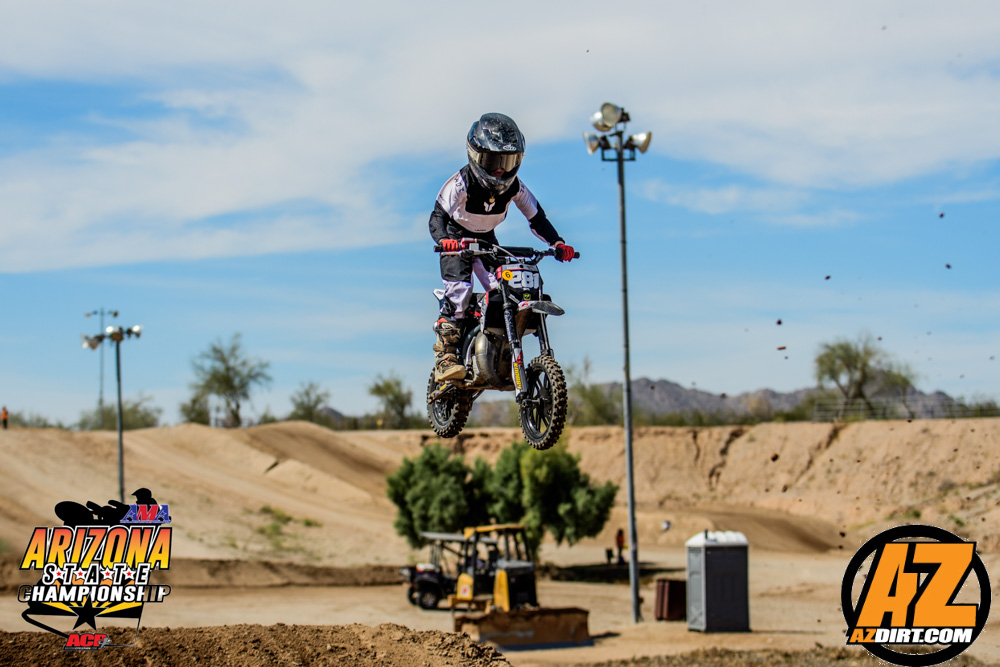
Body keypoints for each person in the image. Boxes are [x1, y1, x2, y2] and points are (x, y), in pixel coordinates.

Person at [428, 112, 575, 382]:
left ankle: (498, 349)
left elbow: (537, 218)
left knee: (505, 288)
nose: (499, 171)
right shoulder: (460, 183)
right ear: (477, 157)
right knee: (459, 292)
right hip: (456, 239)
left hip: (486, 240)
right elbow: (437, 218)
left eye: (507, 162)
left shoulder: (515, 187)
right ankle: (446, 356)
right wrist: (443, 241)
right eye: (494, 161)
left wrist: (557, 242)